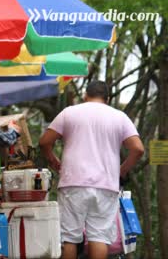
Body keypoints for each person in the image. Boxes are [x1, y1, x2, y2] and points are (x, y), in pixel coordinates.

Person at [39, 81, 144, 259]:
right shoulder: (119, 116)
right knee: (99, 237)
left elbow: (44, 142)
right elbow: (138, 149)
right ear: (107, 98)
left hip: (73, 182)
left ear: (85, 95)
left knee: (69, 238)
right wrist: (121, 171)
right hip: (106, 186)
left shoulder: (69, 112)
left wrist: (54, 161)